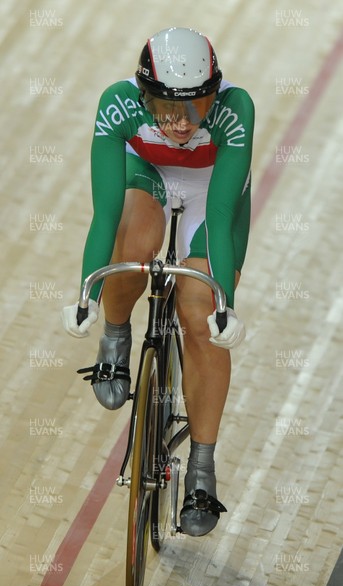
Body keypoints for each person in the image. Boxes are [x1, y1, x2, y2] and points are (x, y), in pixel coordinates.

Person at [62, 27, 254, 537]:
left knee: (198, 312)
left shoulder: (237, 110)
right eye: (167, 106)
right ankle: (117, 337)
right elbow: (105, 216)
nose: (181, 121)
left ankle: (201, 471)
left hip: (213, 187)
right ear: (144, 95)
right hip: (146, 173)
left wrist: (224, 304)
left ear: (215, 92)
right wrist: (88, 293)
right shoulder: (118, 105)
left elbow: (219, 210)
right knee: (131, 247)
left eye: (195, 105)